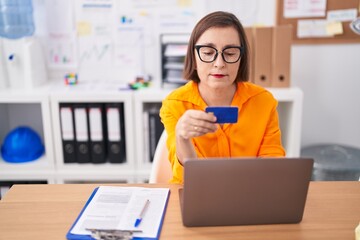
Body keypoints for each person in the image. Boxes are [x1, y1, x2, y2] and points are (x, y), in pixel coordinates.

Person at [160, 11, 285, 184]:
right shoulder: (174, 105)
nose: (219, 63)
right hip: (197, 193)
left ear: (241, 58)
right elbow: (186, 179)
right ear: (194, 58)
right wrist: (182, 137)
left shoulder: (263, 101)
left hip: (249, 194)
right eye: (208, 52)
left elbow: (273, 165)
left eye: (230, 53)